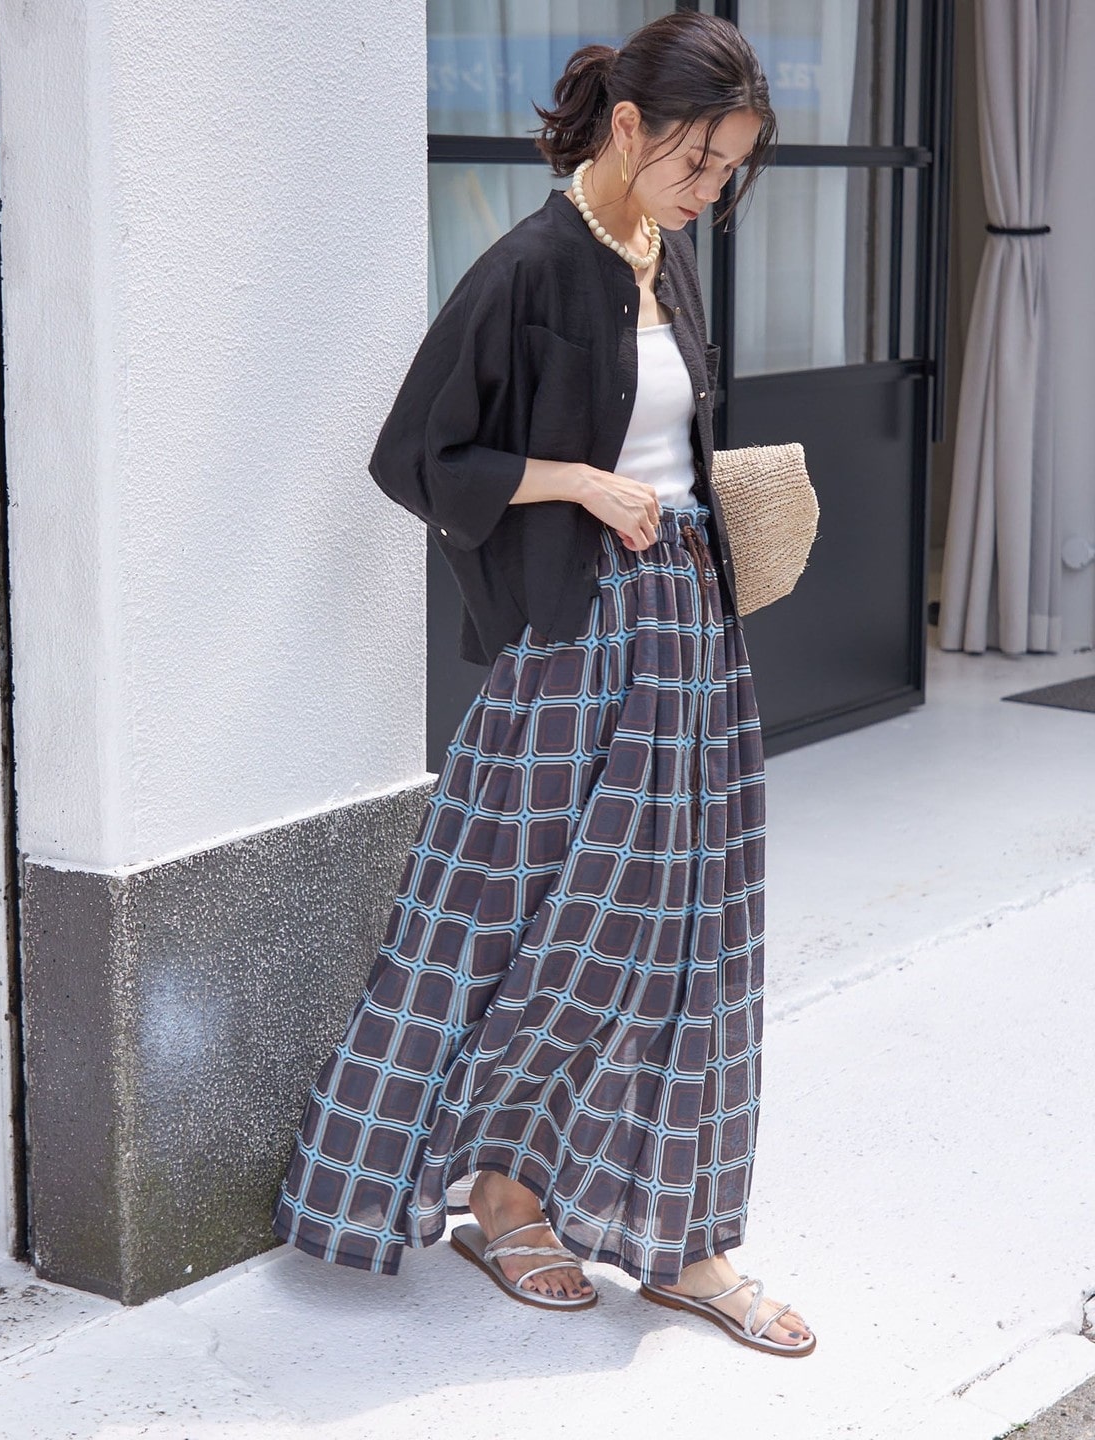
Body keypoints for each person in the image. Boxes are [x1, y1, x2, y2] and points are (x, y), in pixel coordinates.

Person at [272, 11, 815, 1357]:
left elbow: (676, 439)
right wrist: (577, 482)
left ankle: (683, 1239)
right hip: (577, 644)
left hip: (692, 629)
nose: (709, 193)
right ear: (629, 128)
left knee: (696, 934)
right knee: (533, 934)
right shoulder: (529, 266)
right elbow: (417, 455)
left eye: (729, 172)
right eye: (698, 162)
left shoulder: (666, 261)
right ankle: (505, 1199)